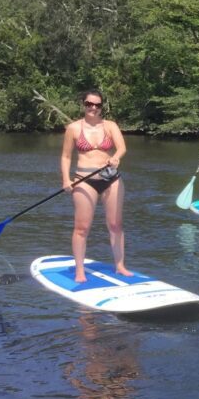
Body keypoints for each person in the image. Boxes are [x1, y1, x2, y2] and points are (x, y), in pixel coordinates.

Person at [60, 89, 129, 283]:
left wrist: (115, 158)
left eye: (97, 105)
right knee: (82, 227)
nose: (93, 108)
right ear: (84, 104)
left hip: (111, 178)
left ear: (102, 107)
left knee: (115, 225)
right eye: (90, 104)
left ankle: (120, 265)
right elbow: (66, 156)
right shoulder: (73, 128)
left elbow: (122, 147)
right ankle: (80, 270)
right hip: (84, 180)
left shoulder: (110, 126)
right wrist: (66, 180)